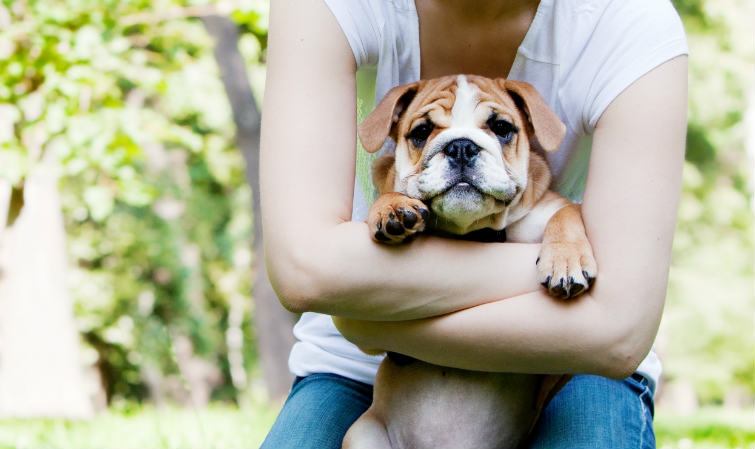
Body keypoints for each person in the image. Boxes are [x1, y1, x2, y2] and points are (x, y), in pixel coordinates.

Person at [258, 0, 688, 448]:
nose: (461, 150)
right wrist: (539, 276)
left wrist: (368, 321)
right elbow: (303, 268)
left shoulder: (628, 23)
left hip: (568, 358)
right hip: (369, 369)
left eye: (499, 129)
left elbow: (618, 333)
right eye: (425, 133)